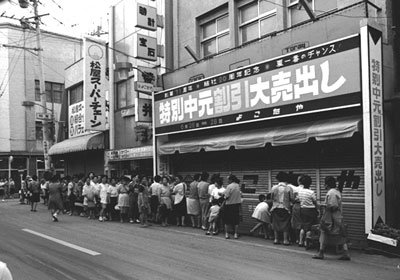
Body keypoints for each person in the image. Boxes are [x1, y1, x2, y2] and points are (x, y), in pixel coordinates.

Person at [313, 176, 351, 261]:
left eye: (324, 183)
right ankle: (346, 253)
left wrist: (322, 205)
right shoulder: (336, 191)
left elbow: (333, 206)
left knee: (324, 232)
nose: (323, 185)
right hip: (336, 216)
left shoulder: (331, 193)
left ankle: (321, 252)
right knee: (341, 234)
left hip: (332, 217)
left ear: (327, 184)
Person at [270, 172, 294, 245]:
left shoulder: (274, 187)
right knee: (285, 223)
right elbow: (292, 198)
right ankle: (285, 240)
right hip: (285, 208)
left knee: (275, 223)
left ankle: (276, 239)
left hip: (275, 207)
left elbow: (271, 197)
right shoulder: (289, 188)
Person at [297, 175, 318, 247]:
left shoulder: (300, 192)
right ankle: (306, 242)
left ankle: (300, 242)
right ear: (310, 183)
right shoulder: (311, 192)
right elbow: (315, 202)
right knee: (310, 227)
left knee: (303, 225)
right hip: (311, 210)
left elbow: (299, 200)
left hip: (302, 210)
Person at [222, 174, 242, 239]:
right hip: (236, 205)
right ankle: (236, 234)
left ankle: (227, 234)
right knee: (236, 221)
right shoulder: (238, 186)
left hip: (229, 205)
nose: (227, 181)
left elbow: (226, 196)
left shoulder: (229, 186)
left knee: (227, 220)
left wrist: (223, 196)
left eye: (228, 179)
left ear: (230, 180)